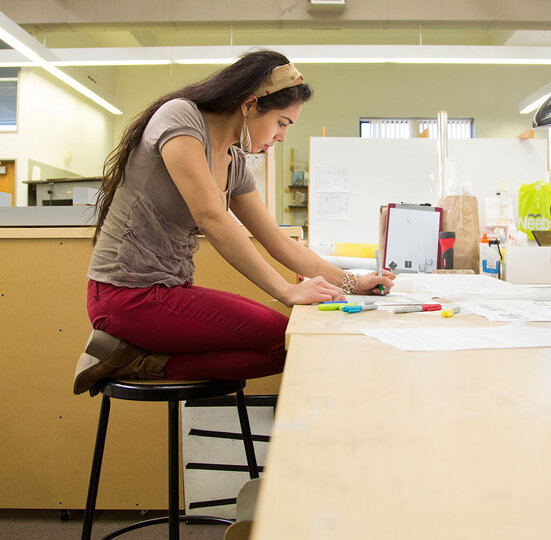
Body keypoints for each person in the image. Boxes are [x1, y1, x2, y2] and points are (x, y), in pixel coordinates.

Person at [73, 50, 395, 396]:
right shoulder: (181, 118)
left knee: (287, 337)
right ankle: (136, 361)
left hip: (168, 291)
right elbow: (212, 218)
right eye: (282, 123)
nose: (282, 137)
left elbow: (276, 239)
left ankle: (137, 355)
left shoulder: (234, 161)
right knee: (283, 342)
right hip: (125, 295)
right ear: (250, 105)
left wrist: (352, 283)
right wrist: (284, 290)